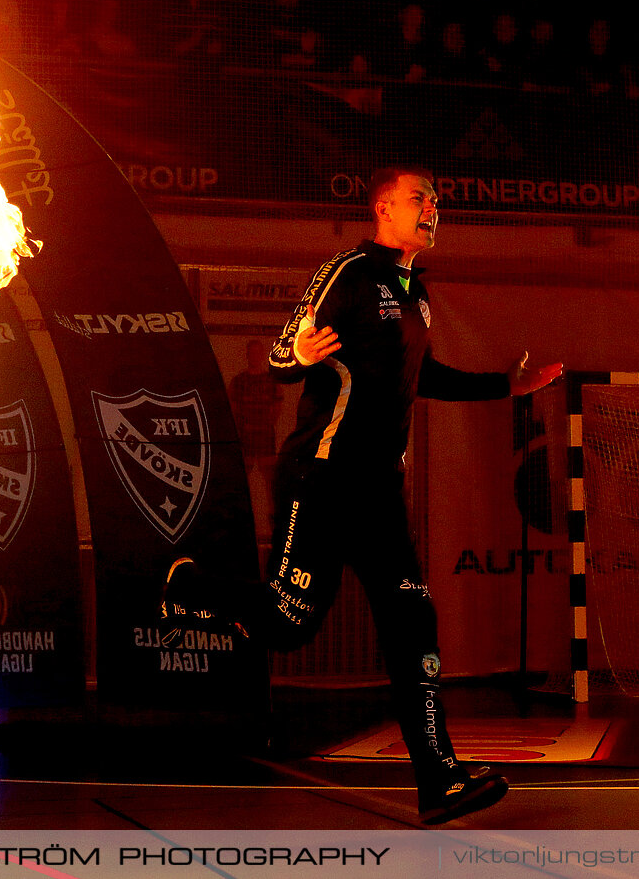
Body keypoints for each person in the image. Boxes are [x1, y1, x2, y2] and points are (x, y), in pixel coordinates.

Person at [163, 166, 562, 823]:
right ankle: (190, 589)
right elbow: (283, 354)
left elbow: (422, 374)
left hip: (380, 491)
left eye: (436, 200)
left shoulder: (417, 296)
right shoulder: (348, 272)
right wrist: (298, 356)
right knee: (290, 624)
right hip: (323, 477)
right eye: (418, 198)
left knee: (414, 623)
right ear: (382, 209)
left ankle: (441, 781)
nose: (432, 207)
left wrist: (506, 389)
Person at [227, 339, 285, 545]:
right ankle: (239, 527)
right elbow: (233, 408)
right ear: (247, 355)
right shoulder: (239, 381)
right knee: (242, 486)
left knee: (271, 487)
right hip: (246, 440)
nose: (255, 356)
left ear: (261, 355)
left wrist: (266, 423)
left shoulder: (271, 381)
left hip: (265, 439)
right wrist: (244, 427)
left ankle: (275, 531)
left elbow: (278, 406)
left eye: (258, 353)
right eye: (251, 352)